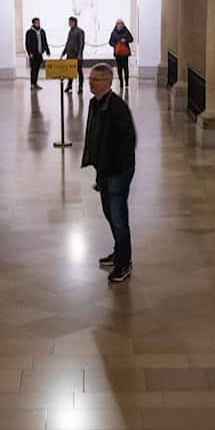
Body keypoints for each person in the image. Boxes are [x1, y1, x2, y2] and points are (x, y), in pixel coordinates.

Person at [81, 63, 137, 283]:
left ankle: (124, 263)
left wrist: (115, 168)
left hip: (116, 172)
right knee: (109, 214)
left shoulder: (117, 107)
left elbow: (128, 141)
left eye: (95, 80)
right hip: (104, 170)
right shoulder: (96, 104)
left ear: (107, 82)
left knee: (118, 217)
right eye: (90, 79)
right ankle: (119, 252)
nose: (91, 83)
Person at [61, 16, 86, 94]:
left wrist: (79, 55)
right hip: (70, 55)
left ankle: (80, 87)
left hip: (77, 55)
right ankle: (69, 85)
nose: (69, 23)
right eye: (69, 22)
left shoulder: (80, 31)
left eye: (70, 22)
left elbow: (82, 44)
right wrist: (63, 53)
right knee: (70, 71)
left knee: (79, 71)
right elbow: (68, 43)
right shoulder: (70, 31)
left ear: (74, 22)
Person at [108, 19, 134, 93]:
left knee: (125, 68)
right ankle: (121, 82)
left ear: (123, 25)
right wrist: (115, 45)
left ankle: (126, 83)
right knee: (119, 69)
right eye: (118, 24)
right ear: (116, 25)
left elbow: (131, 39)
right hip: (118, 53)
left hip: (125, 54)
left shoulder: (126, 31)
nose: (119, 25)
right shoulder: (113, 33)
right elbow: (110, 42)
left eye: (121, 24)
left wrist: (125, 40)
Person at [24, 17, 50, 89]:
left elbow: (45, 41)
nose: (38, 23)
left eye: (39, 22)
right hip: (33, 54)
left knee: (37, 69)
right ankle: (32, 84)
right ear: (33, 23)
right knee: (33, 69)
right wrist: (29, 52)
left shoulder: (42, 31)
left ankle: (35, 83)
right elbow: (27, 43)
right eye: (37, 22)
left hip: (39, 53)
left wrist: (47, 50)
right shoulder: (29, 32)